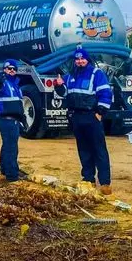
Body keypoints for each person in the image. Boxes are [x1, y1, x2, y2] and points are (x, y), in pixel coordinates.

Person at [55, 45, 113, 194]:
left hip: (92, 116)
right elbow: (64, 93)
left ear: (87, 60)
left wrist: (100, 113)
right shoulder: (70, 76)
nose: (80, 61)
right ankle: (88, 179)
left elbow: (105, 93)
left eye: (82, 59)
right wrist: (59, 86)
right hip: (77, 117)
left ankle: (105, 182)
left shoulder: (96, 74)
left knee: (99, 150)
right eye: (77, 59)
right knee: (84, 150)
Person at [0, 59, 25, 182]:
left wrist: (22, 118)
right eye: (9, 68)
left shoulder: (15, 84)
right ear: (4, 69)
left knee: (7, 145)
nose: (12, 70)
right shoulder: (2, 82)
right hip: (7, 120)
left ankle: (5, 169)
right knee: (11, 147)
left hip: (14, 119)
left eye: (14, 69)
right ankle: (12, 175)